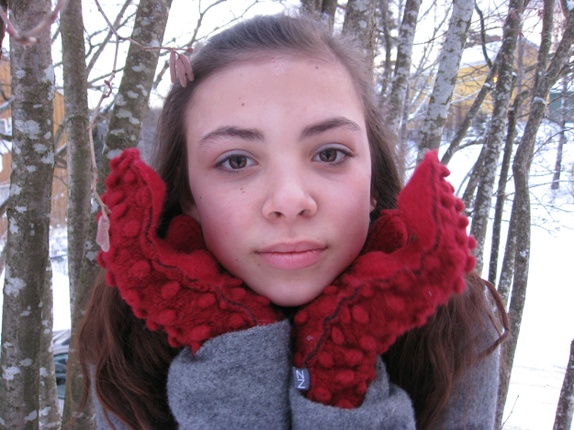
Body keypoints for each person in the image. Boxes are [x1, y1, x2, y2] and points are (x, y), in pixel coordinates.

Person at [77, 13, 508, 430]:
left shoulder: (453, 324)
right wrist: (223, 344)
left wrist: (342, 370)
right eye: (236, 161)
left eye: (330, 154)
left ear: (372, 182)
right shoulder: (128, 337)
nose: (289, 201)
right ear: (188, 194)